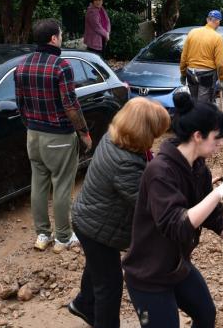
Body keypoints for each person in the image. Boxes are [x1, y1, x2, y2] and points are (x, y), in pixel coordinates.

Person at [123, 92, 223, 327]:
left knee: (205, 314)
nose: (221, 144)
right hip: (149, 275)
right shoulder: (160, 172)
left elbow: (214, 219)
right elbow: (177, 225)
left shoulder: (198, 168)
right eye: (216, 138)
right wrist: (218, 193)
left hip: (176, 266)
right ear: (197, 136)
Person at [69, 98, 170, 328]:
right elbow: (147, 205)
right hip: (96, 229)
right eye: (154, 134)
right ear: (142, 131)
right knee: (109, 286)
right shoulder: (125, 163)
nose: (155, 139)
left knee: (98, 267)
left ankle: (84, 304)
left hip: (91, 218)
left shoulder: (114, 137)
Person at [15, 18, 93, 253]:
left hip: (33, 135)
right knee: (62, 186)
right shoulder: (61, 66)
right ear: (53, 39)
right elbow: (71, 105)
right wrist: (84, 133)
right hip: (59, 136)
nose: (61, 38)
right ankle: (63, 237)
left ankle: (42, 235)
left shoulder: (22, 65)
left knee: (38, 185)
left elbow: (20, 103)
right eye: (60, 35)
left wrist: (31, 126)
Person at [179, 10, 223, 104]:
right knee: (203, 105)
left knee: (193, 102)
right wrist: (222, 79)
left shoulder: (192, 32)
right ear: (218, 21)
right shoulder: (217, 37)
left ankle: (195, 113)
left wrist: (183, 73)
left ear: (207, 19)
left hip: (191, 73)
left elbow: (184, 56)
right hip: (207, 75)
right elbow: (221, 63)